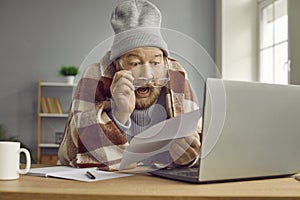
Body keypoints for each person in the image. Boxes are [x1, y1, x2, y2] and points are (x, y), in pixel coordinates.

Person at [58, 0, 202, 171]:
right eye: (134, 63)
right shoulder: (95, 76)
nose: (147, 75)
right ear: (117, 64)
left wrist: (188, 157)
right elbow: (69, 154)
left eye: (155, 63)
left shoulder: (176, 75)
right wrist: (120, 114)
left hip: (162, 184)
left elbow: (197, 143)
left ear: (164, 61)